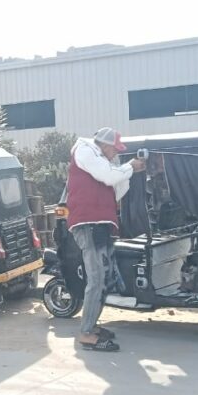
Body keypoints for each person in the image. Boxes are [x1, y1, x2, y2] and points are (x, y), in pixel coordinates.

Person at [67, 127, 146, 352]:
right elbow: (109, 177)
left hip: (99, 225)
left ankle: (91, 326)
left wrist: (127, 170)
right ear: (104, 145)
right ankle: (86, 333)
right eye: (115, 149)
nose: (116, 153)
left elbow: (115, 188)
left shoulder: (101, 160)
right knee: (97, 278)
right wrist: (129, 167)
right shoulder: (85, 151)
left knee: (105, 278)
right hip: (88, 224)